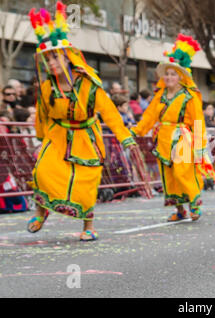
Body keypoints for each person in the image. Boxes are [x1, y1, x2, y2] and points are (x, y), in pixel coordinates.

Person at [27, 2, 142, 241]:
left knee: (85, 182)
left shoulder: (89, 83)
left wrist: (125, 138)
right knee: (42, 171)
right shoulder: (47, 87)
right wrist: (39, 138)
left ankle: (88, 225)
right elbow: (43, 114)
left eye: (55, 59)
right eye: (48, 60)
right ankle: (41, 212)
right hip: (57, 136)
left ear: (68, 58)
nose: (51, 64)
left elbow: (110, 112)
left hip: (86, 136)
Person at [131, 33, 215, 222]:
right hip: (162, 138)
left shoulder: (190, 96)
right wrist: (136, 131)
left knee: (182, 170)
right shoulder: (160, 95)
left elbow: (198, 121)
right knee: (168, 175)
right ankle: (180, 209)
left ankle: (194, 202)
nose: (169, 77)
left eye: (174, 74)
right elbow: (149, 116)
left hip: (183, 137)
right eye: (168, 73)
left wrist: (199, 146)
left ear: (181, 77)